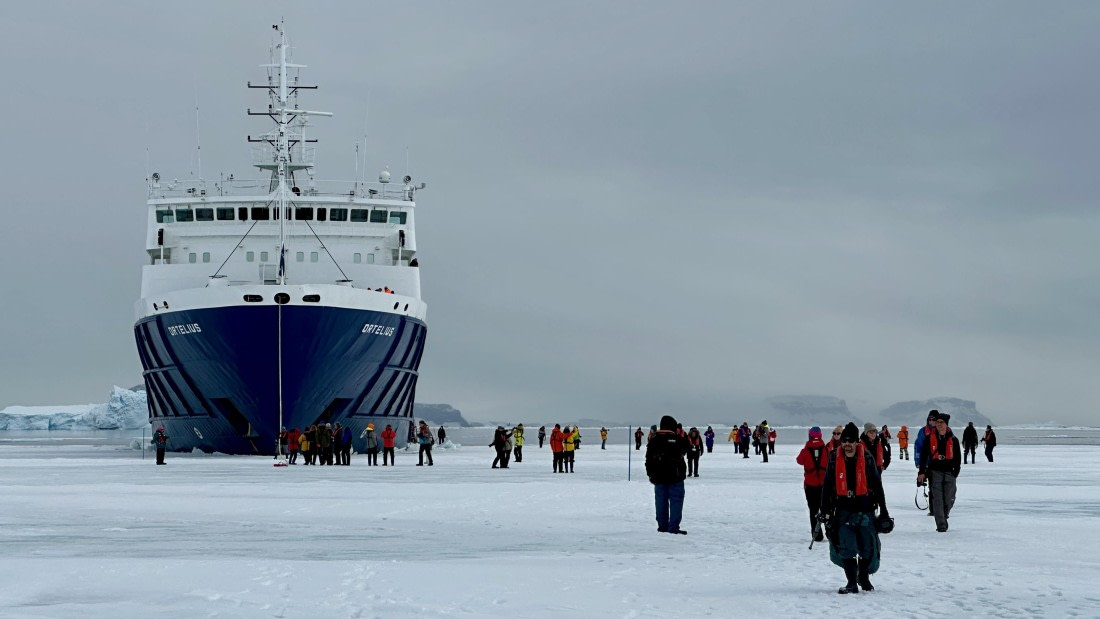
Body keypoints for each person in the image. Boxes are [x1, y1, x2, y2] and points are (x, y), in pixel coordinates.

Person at [819, 422, 890, 594]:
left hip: (864, 509)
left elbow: (877, 486)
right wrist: (825, 510)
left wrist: (884, 511)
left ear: (857, 441)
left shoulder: (866, 458)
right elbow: (827, 485)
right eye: (844, 441)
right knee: (846, 547)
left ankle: (863, 578)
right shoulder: (834, 458)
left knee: (867, 548)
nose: (847, 444)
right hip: (843, 510)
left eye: (851, 441)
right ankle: (851, 582)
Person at [917, 412, 961, 532]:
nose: (939, 425)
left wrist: (955, 472)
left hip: (949, 471)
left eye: (941, 422)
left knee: (949, 497)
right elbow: (923, 456)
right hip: (934, 471)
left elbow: (957, 457)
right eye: (937, 422)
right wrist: (921, 471)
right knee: (937, 498)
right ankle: (941, 524)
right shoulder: (929, 439)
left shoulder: (954, 439)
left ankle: (944, 513)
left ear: (946, 424)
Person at [646, 415, 689, 535]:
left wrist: (650, 474)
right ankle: (673, 527)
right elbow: (687, 447)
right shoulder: (677, 439)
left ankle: (662, 526)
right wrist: (681, 435)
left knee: (660, 501)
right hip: (676, 477)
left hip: (658, 477)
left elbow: (648, 459)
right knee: (676, 501)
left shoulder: (654, 440)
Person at [796, 426, 828, 540]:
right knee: (826, 509)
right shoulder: (826, 449)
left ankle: (817, 535)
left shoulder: (806, 450)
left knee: (813, 510)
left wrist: (807, 447)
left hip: (810, 485)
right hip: (824, 485)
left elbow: (799, 460)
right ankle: (830, 532)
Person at [913, 411, 938, 516]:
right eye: (930, 419)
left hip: (939, 464)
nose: (931, 421)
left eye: (933, 419)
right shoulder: (923, 431)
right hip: (926, 463)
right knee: (932, 486)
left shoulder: (941, 431)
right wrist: (918, 462)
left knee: (939, 487)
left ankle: (940, 508)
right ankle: (933, 509)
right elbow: (918, 447)